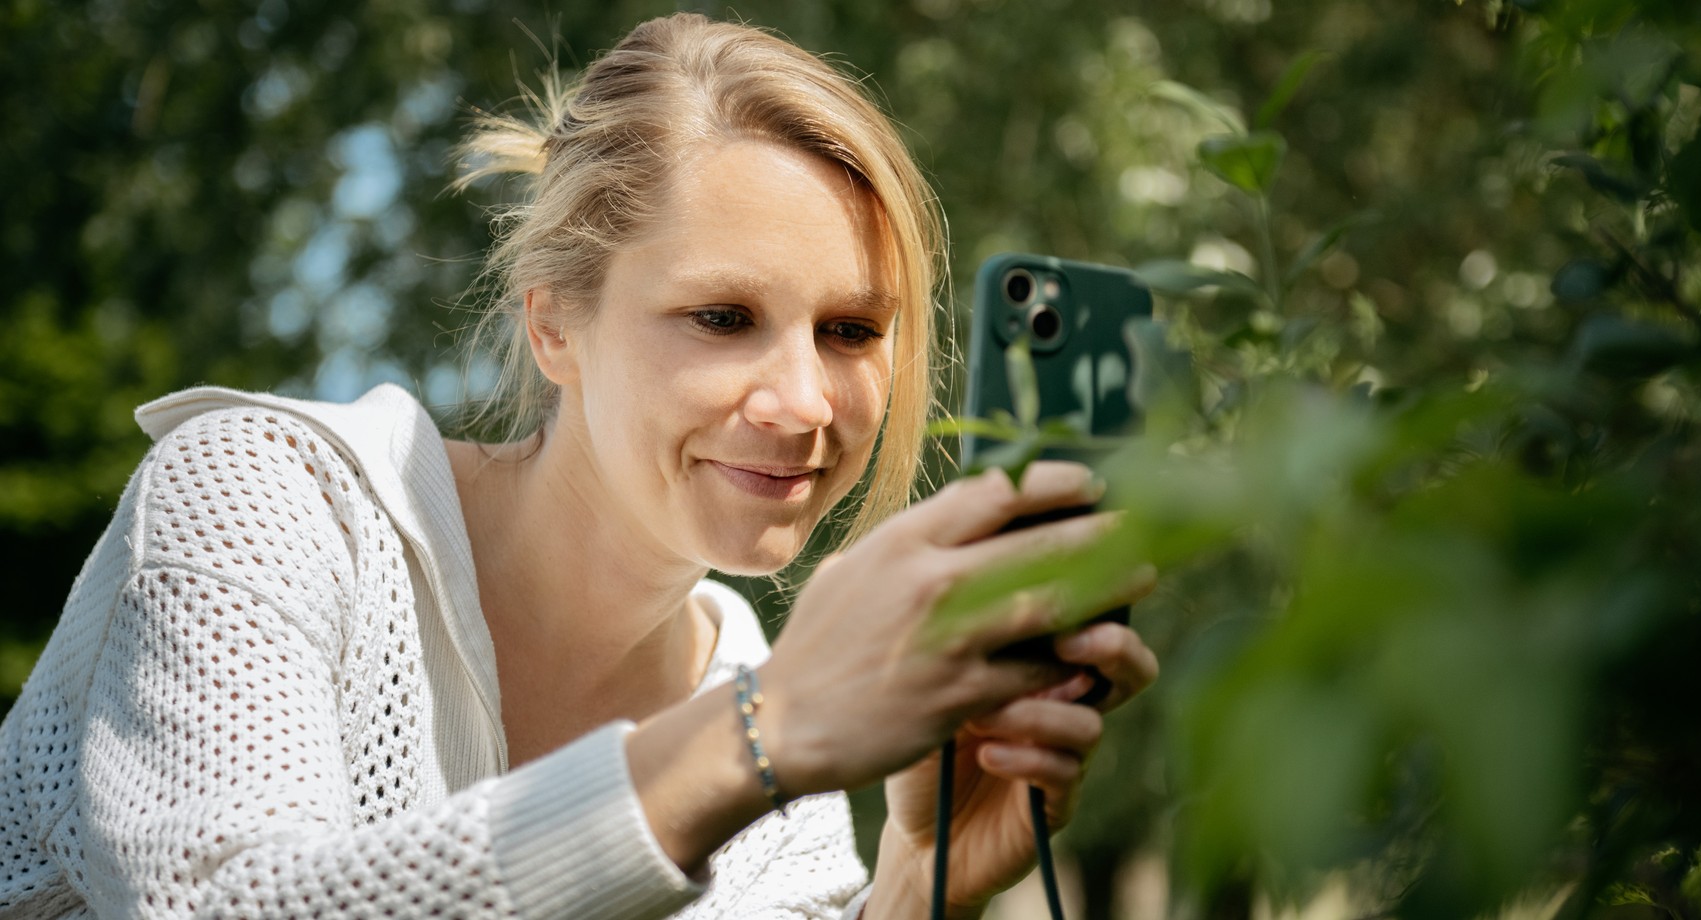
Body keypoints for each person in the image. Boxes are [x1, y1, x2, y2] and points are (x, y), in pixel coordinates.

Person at [0, 11, 1158, 919]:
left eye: (852, 331)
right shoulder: (265, 498)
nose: (806, 401)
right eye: (721, 316)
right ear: (554, 325)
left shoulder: (737, 666)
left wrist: (919, 884)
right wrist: (763, 734)